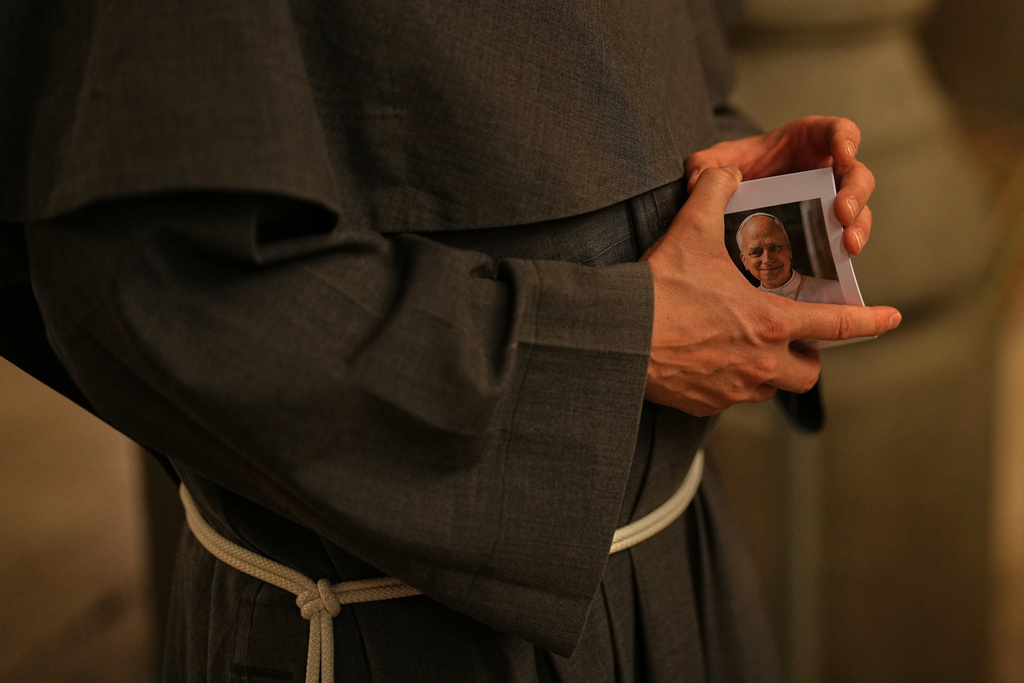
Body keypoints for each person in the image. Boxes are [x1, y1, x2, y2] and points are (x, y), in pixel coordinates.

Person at [1, 1, 900, 681]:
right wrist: (627, 340)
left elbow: (647, 75)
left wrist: (718, 180)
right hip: (401, 632)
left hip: (684, 568)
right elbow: (159, 286)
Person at [735, 212, 848, 304]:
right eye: (756, 252)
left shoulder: (837, 293)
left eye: (774, 247)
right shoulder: (744, 306)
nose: (767, 260)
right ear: (744, 260)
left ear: (789, 249)